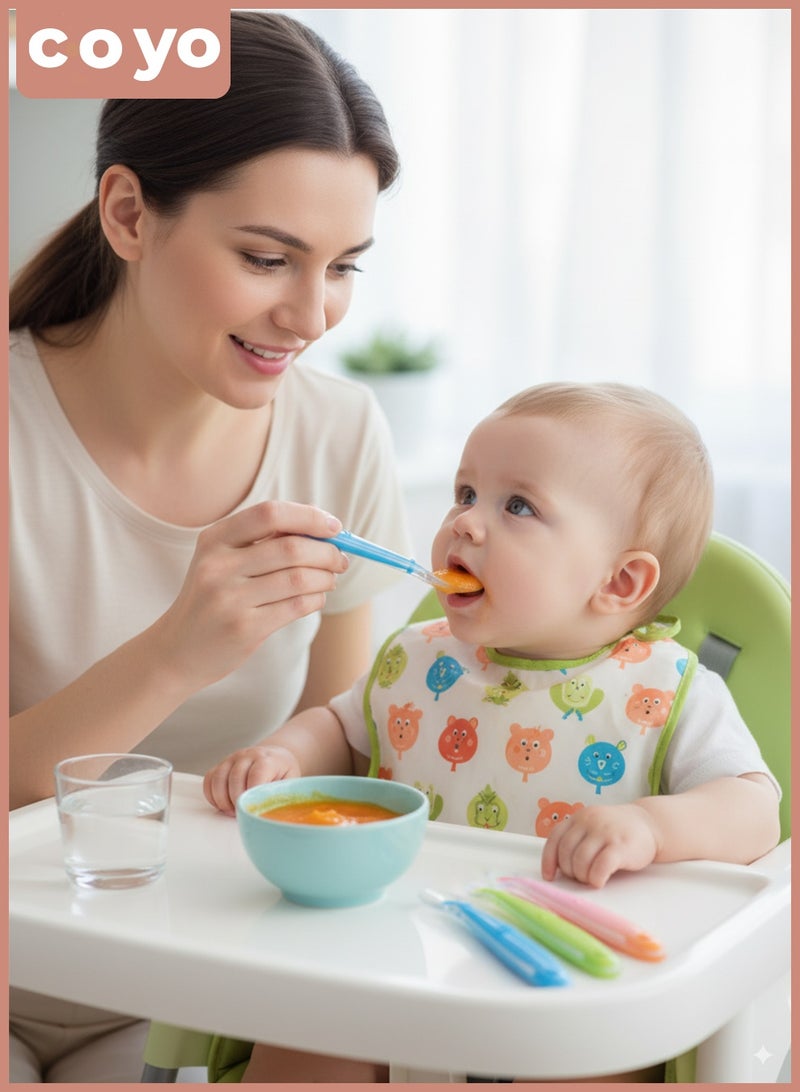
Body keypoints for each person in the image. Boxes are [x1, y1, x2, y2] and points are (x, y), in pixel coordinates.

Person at [9, 10, 411, 1082]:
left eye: (342, 267)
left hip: (180, 988)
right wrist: (176, 652)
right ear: (130, 213)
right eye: (269, 258)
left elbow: (339, 753)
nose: (312, 312)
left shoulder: (338, 435)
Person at [204, 381, 781, 1084]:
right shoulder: (420, 657)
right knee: (304, 1042)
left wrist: (650, 828)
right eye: (465, 493)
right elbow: (340, 725)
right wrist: (283, 754)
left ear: (621, 582)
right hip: (390, 958)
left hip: (571, 984)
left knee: (595, 1065)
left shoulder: (667, 690)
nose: (467, 523)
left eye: (518, 506)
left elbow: (754, 808)